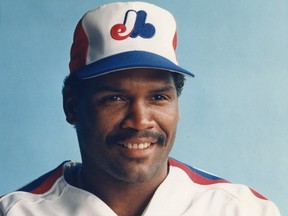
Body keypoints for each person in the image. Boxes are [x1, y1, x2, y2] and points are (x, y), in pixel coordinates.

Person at [0, 2, 281, 216]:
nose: (140, 120)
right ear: (71, 106)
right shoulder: (18, 211)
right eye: (115, 98)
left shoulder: (241, 210)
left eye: (158, 97)